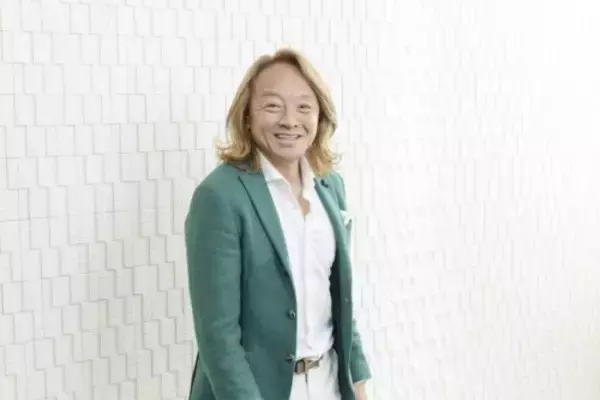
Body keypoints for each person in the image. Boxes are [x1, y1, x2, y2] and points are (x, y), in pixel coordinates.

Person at [185, 48, 372, 400]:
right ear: (247, 115)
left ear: (320, 115)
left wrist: (359, 385)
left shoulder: (331, 186)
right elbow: (218, 338)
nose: (289, 120)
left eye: (304, 106)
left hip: (329, 383)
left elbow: (340, 304)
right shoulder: (219, 197)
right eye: (272, 106)